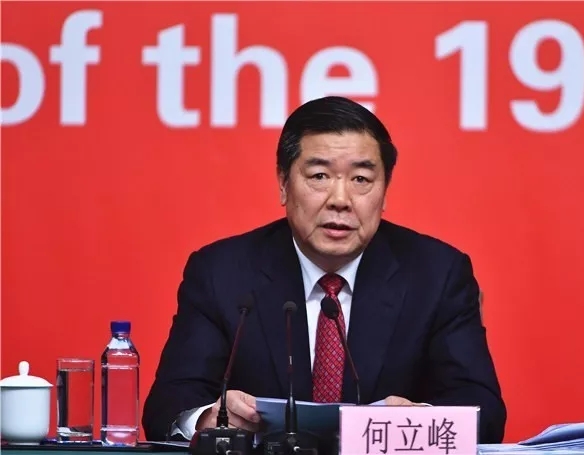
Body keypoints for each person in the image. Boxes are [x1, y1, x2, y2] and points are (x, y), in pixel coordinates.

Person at [142, 96, 507, 444]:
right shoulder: (221, 273)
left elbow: (484, 412)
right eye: (319, 176)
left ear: (385, 191)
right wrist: (207, 418)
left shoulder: (437, 274)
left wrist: (419, 421)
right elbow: (169, 405)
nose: (340, 200)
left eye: (361, 179)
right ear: (283, 183)